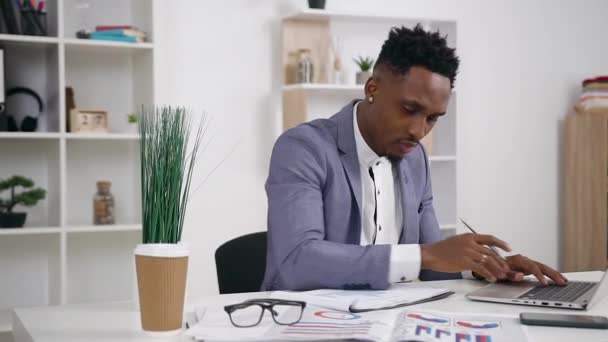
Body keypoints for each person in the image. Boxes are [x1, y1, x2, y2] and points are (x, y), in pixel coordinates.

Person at [262, 25, 567, 291]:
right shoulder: (304, 148)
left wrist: (481, 266)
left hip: (391, 321)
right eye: (409, 109)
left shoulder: (415, 158)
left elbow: (433, 266)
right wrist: (425, 255)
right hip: (308, 323)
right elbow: (297, 261)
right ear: (373, 88)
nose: (419, 131)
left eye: (433, 118)